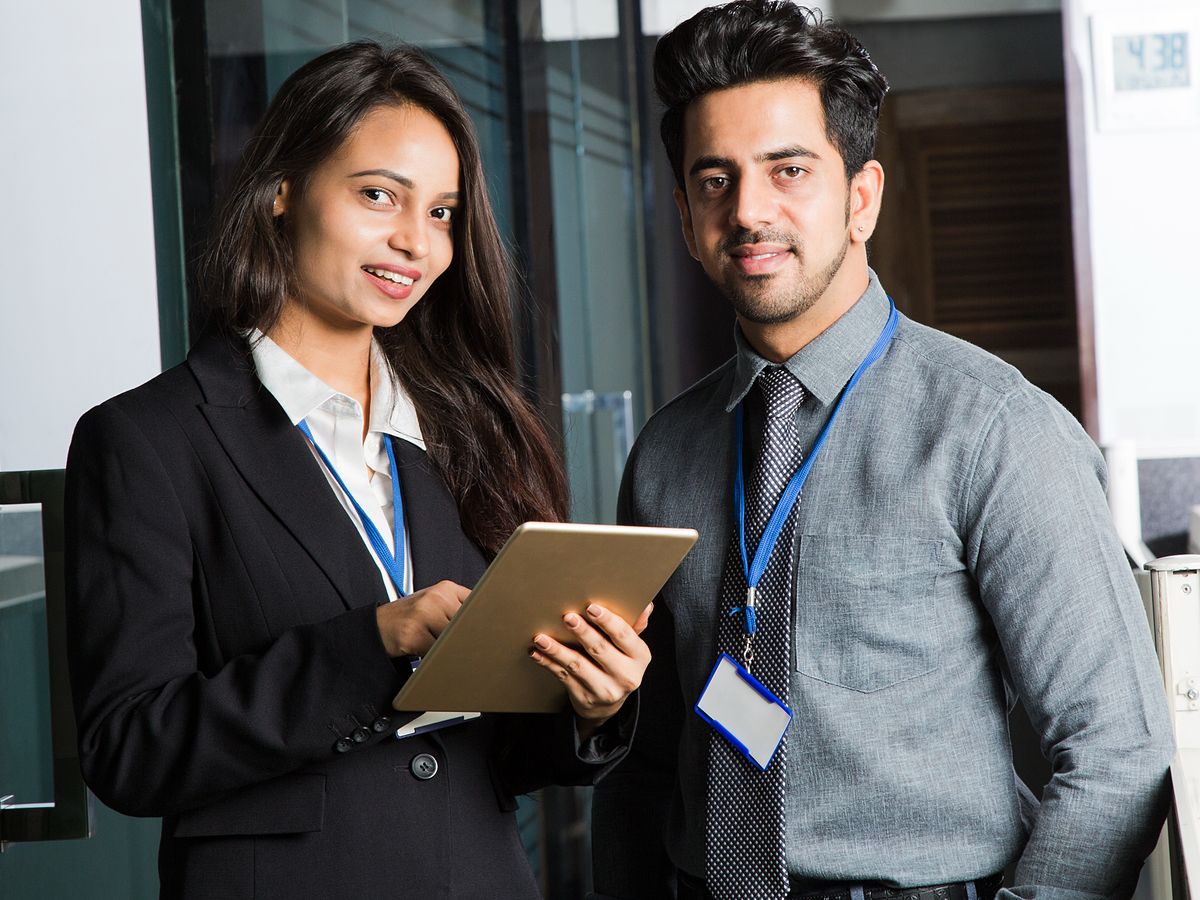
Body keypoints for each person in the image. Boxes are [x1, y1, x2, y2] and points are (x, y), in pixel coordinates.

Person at [590, 3, 1173, 899]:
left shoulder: (995, 430)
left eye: (789, 171)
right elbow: (651, 759)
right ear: (684, 213)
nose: (749, 211)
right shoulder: (669, 451)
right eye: (715, 180)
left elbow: (1117, 753)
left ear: (861, 197)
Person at [65, 41, 649, 900]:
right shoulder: (149, 441)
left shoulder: (462, 429)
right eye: (380, 195)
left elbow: (495, 751)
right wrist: (374, 646)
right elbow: (129, 748)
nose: (415, 241)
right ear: (283, 190)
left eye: (444, 213)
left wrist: (592, 705)